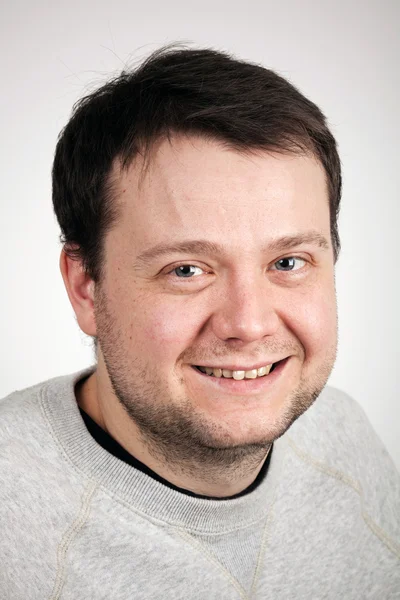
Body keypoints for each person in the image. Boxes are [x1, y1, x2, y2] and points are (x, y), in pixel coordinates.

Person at [0, 45, 399, 600]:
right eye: (186, 269)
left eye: (287, 263)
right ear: (86, 286)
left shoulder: (344, 434)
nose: (250, 324)